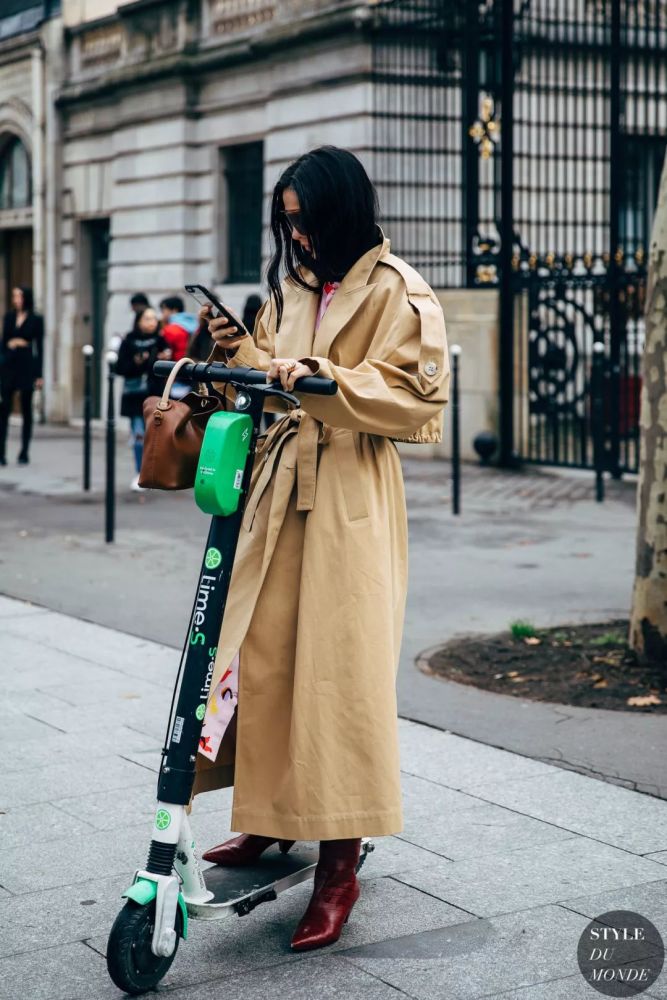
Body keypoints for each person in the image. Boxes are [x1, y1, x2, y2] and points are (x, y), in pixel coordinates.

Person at [193, 146, 449, 951]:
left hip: (347, 498)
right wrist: (239, 355)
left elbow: (415, 399)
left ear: (341, 209)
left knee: (336, 675)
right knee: (262, 664)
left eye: (304, 221)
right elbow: (270, 380)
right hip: (276, 498)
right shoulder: (288, 292)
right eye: (285, 223)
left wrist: (327, 381)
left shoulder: (398, 291)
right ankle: (271, 820)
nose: (295, 238)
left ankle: (340, 860)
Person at [114, 307, 171, 491]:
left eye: (154, 318)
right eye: (147, 318)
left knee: (156, 436)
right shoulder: (129, 341)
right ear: (139, 321)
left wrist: (165, 358)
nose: (152, 322)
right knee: (139, 435)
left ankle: (156, 474)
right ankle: (141, 473)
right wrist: (136, 362)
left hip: (155, 396)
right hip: (135, 397)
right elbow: (120, 368)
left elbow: (169, 369)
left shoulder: (161, 341)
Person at [0, 286, 44, 466]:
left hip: (26, 366)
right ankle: (1, 452)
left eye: (19, 296)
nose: (16, 299)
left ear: (26, 297)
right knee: (4, 410)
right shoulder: (9, 317)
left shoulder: (36, 319)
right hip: (9, 366)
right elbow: (3, 342)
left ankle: (24, 451)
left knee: (27, 410)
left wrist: (39, 375)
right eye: (14, 295)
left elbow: (39, 348)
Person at [159, 295, 199, 399]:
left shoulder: (170, 330)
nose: (162, 314)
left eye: (163, 310)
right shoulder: (196, 324)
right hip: (193, 370)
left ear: (174, 310)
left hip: (176, 374)